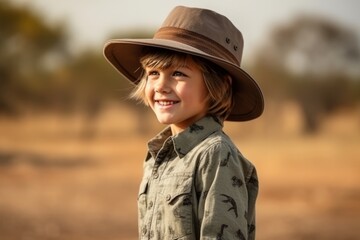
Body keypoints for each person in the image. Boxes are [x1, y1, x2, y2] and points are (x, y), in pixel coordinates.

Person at [103, 5, 264, 240]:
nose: (160, 86)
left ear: (219, 85)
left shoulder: (215, 154)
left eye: (178, 74)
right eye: (153, 73)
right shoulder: (158, 154)